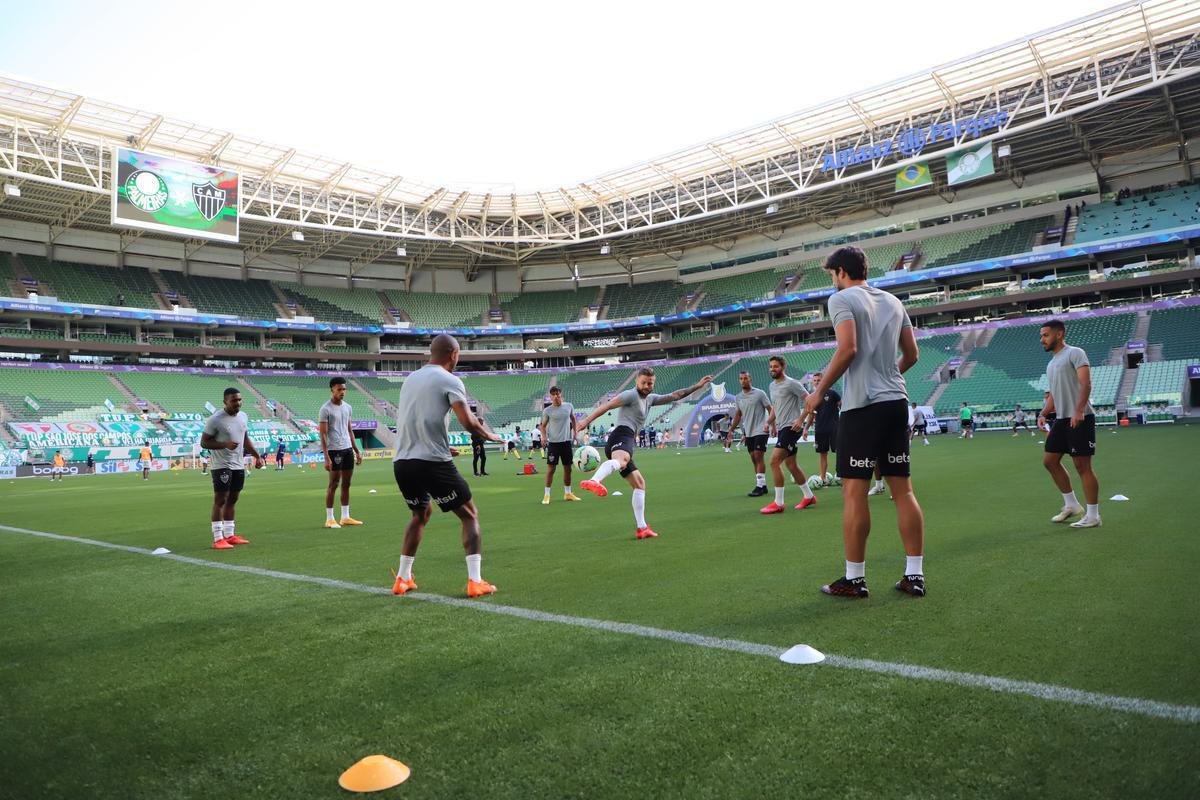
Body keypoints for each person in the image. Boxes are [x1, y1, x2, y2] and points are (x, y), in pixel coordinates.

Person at [800, 246, 925, 599]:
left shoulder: (841, 299)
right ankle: (914, 575)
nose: (832, 281)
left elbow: (848, 348)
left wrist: (819, 391)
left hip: (862, 407)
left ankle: (854, 579)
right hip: (896, 403)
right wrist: (887, 379)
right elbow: (912, 355)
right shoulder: (893, 301)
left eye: (831, 275)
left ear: (841, 272)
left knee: (854, 492)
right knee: (904, 492)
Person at [390, 334, 501, 598]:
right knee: (470, 515)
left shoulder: (410, 379)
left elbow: (414, 419)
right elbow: (468, 420)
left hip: (403, 461)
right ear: (453, 354)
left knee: (420, 514)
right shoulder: (450, 380)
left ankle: (403, 579)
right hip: (431, 462)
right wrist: (490, 435)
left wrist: (440, 444)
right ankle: (475, 581)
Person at [576, 367, 712, 539]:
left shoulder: (650, 399)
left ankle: (642, 528)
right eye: (644, 382)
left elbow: (675, 395)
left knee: (639, 484)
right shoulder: (630, 395)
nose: (647, 385)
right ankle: (594, 480)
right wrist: (586, 421)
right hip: (621, 434)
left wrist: (697, 386)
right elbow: (607, 405)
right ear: (636, 382)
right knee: (623, 460)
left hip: (627, 439)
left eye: (650, 383)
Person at [1038, 320, 1102, 528]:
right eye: (1041, 336)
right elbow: (1054, 395)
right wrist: (1044, 412)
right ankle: (1072, 505)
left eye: (1046, 335)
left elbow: (1086, 383)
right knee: (1050, 461)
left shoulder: (1075, 353)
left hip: (1080, 417)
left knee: (1082, 466)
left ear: (1059, 334)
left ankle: (1093, 515)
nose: (1042, 340)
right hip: (1062, 419)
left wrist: (1078, 410)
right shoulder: (1051, 364)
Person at [200, 387, 263, 550]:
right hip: (221, 465)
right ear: (225, 402)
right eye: (234, 400)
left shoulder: (243, 416)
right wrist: (224, 445)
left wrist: (257, 456)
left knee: (233, 499)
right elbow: (204, 442)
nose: (238, 403)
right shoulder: (216, 420)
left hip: (238, 464)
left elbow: (245, 438)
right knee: (220, 500)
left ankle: (230, 535)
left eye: (240, 400)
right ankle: (217, 538)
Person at [760, 356, 817, 513]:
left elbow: (810, 400)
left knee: (773, 462)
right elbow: (776, 409)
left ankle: (778, 503)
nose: (772, 369)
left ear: (783, 367)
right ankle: (809, 496)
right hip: (782, 427)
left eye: (776, 366)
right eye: (771, 366)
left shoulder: (792, 383)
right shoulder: (772, 386)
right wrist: (769, 422)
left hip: (791, 428)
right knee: (791, 465)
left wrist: (800, 420)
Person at [320, 376, 364, 529]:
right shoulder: (325, 409)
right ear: (332, 389)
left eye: (344, 389)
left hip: (347, 449)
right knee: (334, 483)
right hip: (334, 450)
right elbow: (323, 434)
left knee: (347, 484)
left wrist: (357, 450)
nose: (342, 392)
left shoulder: (348, 407)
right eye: (339, 389)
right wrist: (326, 457)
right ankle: (330, 518)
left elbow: (350, 430)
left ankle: (345, 517)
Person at [725, 371, 774, 497]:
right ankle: (762, 485)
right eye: (741, 379)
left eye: (745, 378)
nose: (743, 380)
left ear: (750, 379)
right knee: (753, 458)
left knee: (758, 456)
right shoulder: (738, 397)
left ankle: (759, 486)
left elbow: (770, 409)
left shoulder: (759, 393)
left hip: (761, 429)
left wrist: (772, 425)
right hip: (749, 432)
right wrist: (731, 430)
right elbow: (738, 415)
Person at [539, 386, 581, 504]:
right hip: (553, 444)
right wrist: (544, 437)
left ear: (560, 394)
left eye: (557, 393)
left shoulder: (569, 406)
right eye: (553, 394)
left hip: (566, 443)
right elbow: (542, 425)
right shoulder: (547, 411)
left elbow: (573, 419)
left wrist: (575, 433)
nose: (556, 396)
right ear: (550, 397)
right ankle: (547, 495)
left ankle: (568, 493)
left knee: (568, 468)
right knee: (551, 469)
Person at [807, 371, 841, 485]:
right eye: (815, 381)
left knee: (839, 451)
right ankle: (823, 478)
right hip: (820, 429)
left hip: (834, 428)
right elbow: (811, 414)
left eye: (819, 380)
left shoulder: (833, 394)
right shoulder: (811, 397)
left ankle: (840, 474)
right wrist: (806, 429)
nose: (817, 382)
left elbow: (842, 405)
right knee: (822, 454)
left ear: (823, 381)